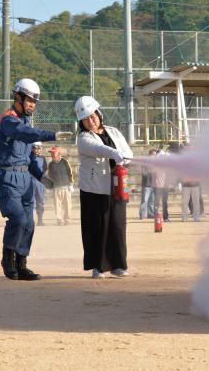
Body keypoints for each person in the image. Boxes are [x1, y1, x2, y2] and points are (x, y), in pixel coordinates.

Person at [0, 78, 73, 281]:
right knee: (18, 218)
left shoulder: (26, 121)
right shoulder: (8, 120)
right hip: (7, 176)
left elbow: (29, 156)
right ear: (18, 96)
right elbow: (23, 134)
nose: (32, 105)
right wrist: (51, 134)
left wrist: (42, 177)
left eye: (35, 101)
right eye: (29, 100)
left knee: (29, 223)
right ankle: (7, 260)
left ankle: (22, 264)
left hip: (26, 177)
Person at [75, 95, 133, 279]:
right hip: (94, 189)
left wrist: (124, 157)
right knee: (97, 227)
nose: (90, 121)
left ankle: (118, 264)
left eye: (92, 116)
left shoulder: (113, 132)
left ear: (99, 114)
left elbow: (127, 152)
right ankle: (98, 267)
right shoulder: (83, 138)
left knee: (117, 226)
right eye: (85, 119)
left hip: (116, 187)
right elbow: (98, 149)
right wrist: (115, 153)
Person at [41, 146, 74, 225]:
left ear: (58, 153)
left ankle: (67, 219)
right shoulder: (51, 164)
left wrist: (71, 184)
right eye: (51, 153)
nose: (52, 154)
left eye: (53, 152)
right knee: (57, 205)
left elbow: (70, 173)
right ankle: (59, 219)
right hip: (56, 188)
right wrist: (49, 186)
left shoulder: (65, 162)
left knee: (67, 205)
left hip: (66, 187)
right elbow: (49, 175)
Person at [31, 142, 47, 227]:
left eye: (39, 148)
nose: (37, 150)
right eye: (35, 148)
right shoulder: (28, 157)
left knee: (40, 200)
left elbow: (45, 169)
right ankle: (30, 220)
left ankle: (40, 219)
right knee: (30, 201)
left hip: (39, 182)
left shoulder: (43, 158)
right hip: (30, 181)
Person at [139, 149, 156, 219]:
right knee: (144, 201)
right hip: (146, 184)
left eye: (155, 155)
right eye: (153, 155)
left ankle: (150, 214)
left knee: (152, 202)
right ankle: (143, 215)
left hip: (154, 185)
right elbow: (144, 173)